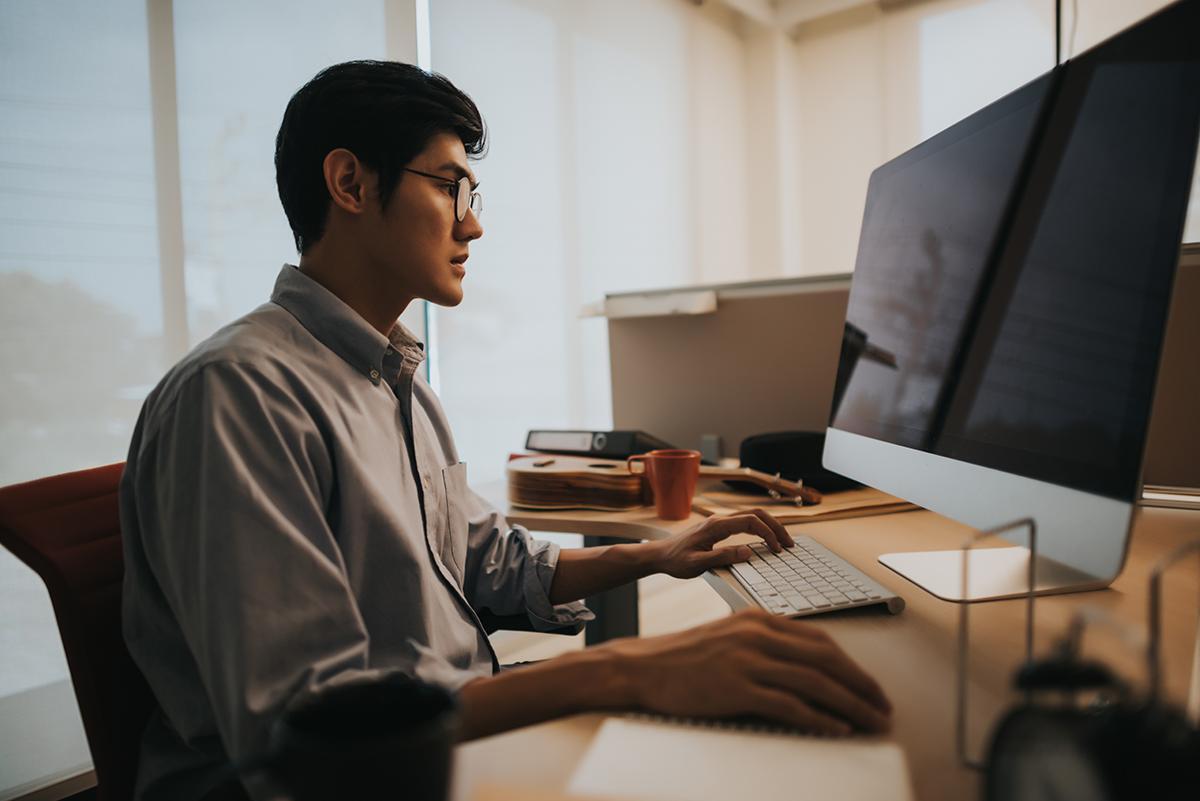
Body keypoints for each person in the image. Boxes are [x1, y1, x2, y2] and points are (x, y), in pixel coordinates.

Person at [120, 60, 891, 801]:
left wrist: (659, 555)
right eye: (453, 188)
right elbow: (309, 729)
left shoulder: (399, 383)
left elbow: (489, 561)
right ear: (350, 182)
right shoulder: (239, 394)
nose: (475, 224)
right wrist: (628, 668)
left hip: (446, 746)